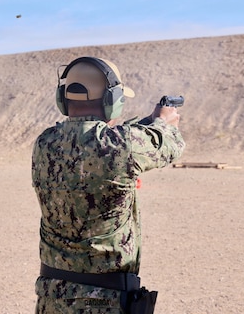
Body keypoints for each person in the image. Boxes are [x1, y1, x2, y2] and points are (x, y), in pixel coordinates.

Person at [32, 56, 186, 314]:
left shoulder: (44, 142)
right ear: (112, 101)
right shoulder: (122, 146)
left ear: (63, 97)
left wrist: (144, 124)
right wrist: (163, 123)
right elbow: (170, 145)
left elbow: (95, 143)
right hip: (104, 302)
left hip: (52, 297)